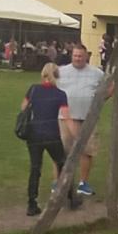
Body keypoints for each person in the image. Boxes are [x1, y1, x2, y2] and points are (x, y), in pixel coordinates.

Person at [20, 62, 82, 216]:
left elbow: (23, 108)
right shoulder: (60, 94)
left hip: (34, 135)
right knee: (63, 164)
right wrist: (77, 137)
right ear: (57, 76)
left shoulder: (33, 89)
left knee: (35, 168)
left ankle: (32, 203)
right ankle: (69, 197)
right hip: (51, 135)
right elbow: (67, 118)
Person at [57, 45, 110, 197]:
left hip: (88, 118)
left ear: (86, 56)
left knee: (87, 150)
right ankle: (60, 182)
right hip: (66, 117)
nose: (77, 58)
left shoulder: (96, 73)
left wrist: (100, 100)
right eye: (75, 56)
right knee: (63, 150)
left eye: (80, 56)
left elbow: (110, 86)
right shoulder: (61, 71)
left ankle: (83, 183)